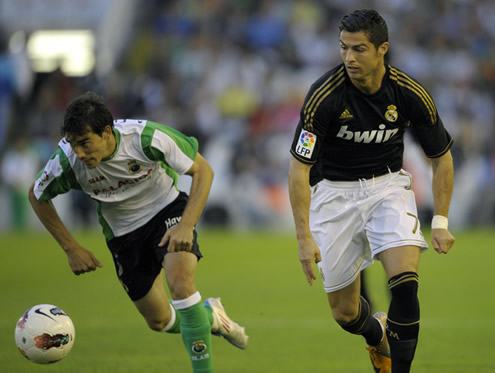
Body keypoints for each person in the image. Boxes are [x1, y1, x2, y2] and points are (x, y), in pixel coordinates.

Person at [28, 92, 248, 373]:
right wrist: (71, 248)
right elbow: (37, 195)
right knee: (159, 321)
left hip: (167, 212)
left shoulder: (146, 138)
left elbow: (203, 170)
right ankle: (212, 317)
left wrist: (187, 224)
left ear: (106, 132)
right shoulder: (67, 161)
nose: (79, 153)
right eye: (73, 144)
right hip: (123, 235)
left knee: (181, 285)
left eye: (85, 143)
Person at [288, 9, 455, 373]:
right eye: (344, 48)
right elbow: (299, 169)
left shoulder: (409, 93)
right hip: (334, 196)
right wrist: (303, 237)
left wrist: (440, 220)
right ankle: (375, 331)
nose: (349, 57)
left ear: (383, 49)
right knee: (345, 313)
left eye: (359, 49)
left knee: (405, 284)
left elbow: (441, 158)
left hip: (388, 188)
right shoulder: (324, 96)